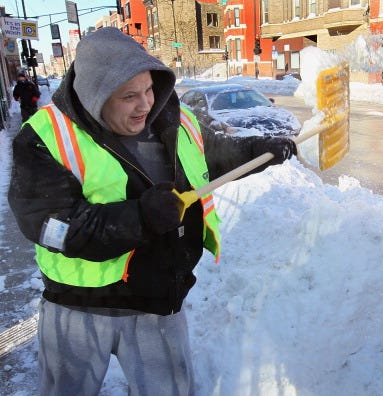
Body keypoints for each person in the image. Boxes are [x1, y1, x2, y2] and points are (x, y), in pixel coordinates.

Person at [8, 27, 297, 395]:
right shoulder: (46, 137)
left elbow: (214, 152)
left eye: (148, 89)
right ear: (96, 98)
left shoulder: (172, 119)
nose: (146, 104)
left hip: (157, 300)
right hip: (78, 308)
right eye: (130, 96)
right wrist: (140, 217)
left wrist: (261, 151)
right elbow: (52, 225)